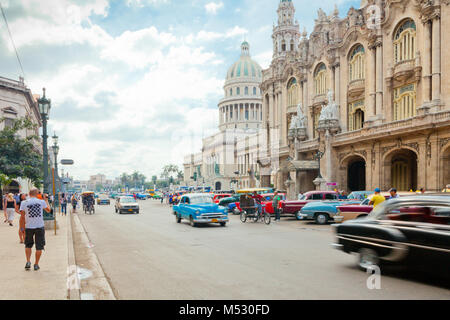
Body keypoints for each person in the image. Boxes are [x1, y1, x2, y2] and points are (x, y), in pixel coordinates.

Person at [19, 188, 51, 271]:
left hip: (28, 227)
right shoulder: (41, 202)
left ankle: (28, 261)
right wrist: (46, 200)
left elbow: (22, 217)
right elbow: (48, 210)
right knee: (39, 246)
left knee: (28, 245)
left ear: (29, 194)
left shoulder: (24, 202)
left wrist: (22, 228)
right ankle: (36, 264)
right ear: (37, 194)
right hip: (39, 227)